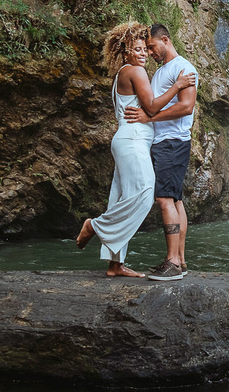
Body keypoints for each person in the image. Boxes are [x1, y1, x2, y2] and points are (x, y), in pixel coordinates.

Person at [77, 22, 194, 278]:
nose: (144, 54)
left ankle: (115, 265)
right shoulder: (136, 72)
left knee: (122, 197)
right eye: (138, 49)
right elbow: (151, 107)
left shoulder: (130, 72)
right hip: (133, 140)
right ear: (126, 52)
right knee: (142, 195)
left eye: (146, 48)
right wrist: (176, 86)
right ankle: (94, 226)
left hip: (132, 140)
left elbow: (177, 107)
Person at [124, 23, 198, 281]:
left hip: (172, 142)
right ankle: (180, 259)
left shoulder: (184, 68)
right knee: (176, 200)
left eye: (152, 47)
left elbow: (186, 107)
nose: (150, 52)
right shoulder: (163, 72)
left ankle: (173, 262)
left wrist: (149, 119)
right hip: (165, 143)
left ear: (165, 40)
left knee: (164, 199)